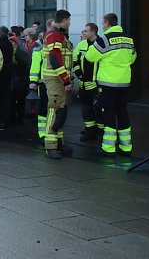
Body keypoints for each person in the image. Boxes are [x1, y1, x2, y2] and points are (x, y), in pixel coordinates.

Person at [85, 13, 137, 157]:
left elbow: (90, 56)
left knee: (109, 113)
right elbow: (133, 58)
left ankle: (109, 148)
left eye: (103, 23)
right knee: (123, 112)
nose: (102, 25)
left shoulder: (104, 40)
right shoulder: (129, 39)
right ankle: (126, 147)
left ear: (107, 23)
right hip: (124, 83)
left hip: (107, 84)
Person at [41, 10, 74, 159]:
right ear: (65, 20)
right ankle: (50, 147)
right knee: (55, 111)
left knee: (61, 111)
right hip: (56, 79)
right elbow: (55, 59)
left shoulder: (57, 35)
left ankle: (59, 143)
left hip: (59, 78)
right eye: (69, 21)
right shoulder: (54, 35)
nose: (70, 24)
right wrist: (66, 79)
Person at [72, 23, 103, 142]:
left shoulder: (101, 44)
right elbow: (75, 61)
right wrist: (79, 74)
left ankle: (101, 132)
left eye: (86, 31)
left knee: (100, 110)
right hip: (83, 84)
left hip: (97, 85)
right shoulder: (81, 45)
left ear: (93, 32)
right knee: (86, 110)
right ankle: (90, 132)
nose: (84, 33)